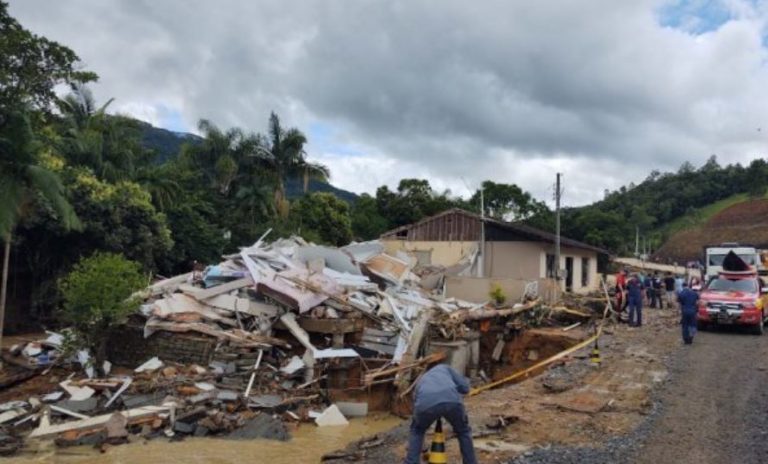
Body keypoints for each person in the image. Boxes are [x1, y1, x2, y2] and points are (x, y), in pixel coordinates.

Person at [404, 364, 477, 464]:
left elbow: (416, 401)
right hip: (452, 401)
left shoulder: (421, 379)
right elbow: (465, 388)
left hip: (426, 404)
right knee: (463, 431)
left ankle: (411, 462)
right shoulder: (445, 368)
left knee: (417, 430)